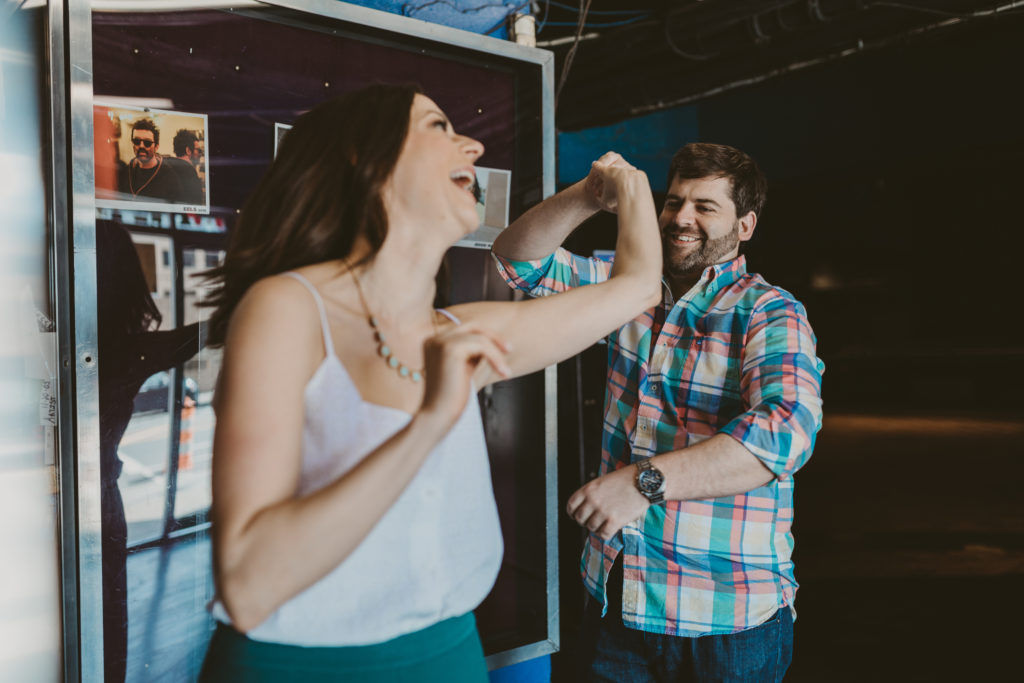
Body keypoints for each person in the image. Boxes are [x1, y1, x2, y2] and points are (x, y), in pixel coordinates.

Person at [197, 83, 662, 682]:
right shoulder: (288, 308)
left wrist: (617, 189)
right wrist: (430, 422)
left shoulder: (456, 330)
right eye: (438, 127)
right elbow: (249, 586)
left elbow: (637, 288)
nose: (470, 143)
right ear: (364, 157)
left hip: (452, 657)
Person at [491, 143, 824, 682]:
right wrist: (588, 196)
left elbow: (786, 434)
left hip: (726, 620)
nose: (681, 218)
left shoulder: (769, 309)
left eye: (705, 207)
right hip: (619, 599)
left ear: (745, 226)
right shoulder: (628, 287)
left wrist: (642, 483)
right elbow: (517, 262)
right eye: (673, 202)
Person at [95, 220, 203, 683]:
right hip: (100, 505)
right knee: (107, 629)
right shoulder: (126, 351)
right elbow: (199, 334)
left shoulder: (46, 332)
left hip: (45, 501)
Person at [117, 118, 185, 203]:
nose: (141, 146)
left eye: (147, 143)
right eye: (137, 141)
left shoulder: (170, 178)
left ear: (156, 146)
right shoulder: (126, 172)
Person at [167, 128, 206, 206]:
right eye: (198, 150)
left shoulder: (167, 168)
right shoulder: (190, 172)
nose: (201, 153)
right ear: (188, 150)